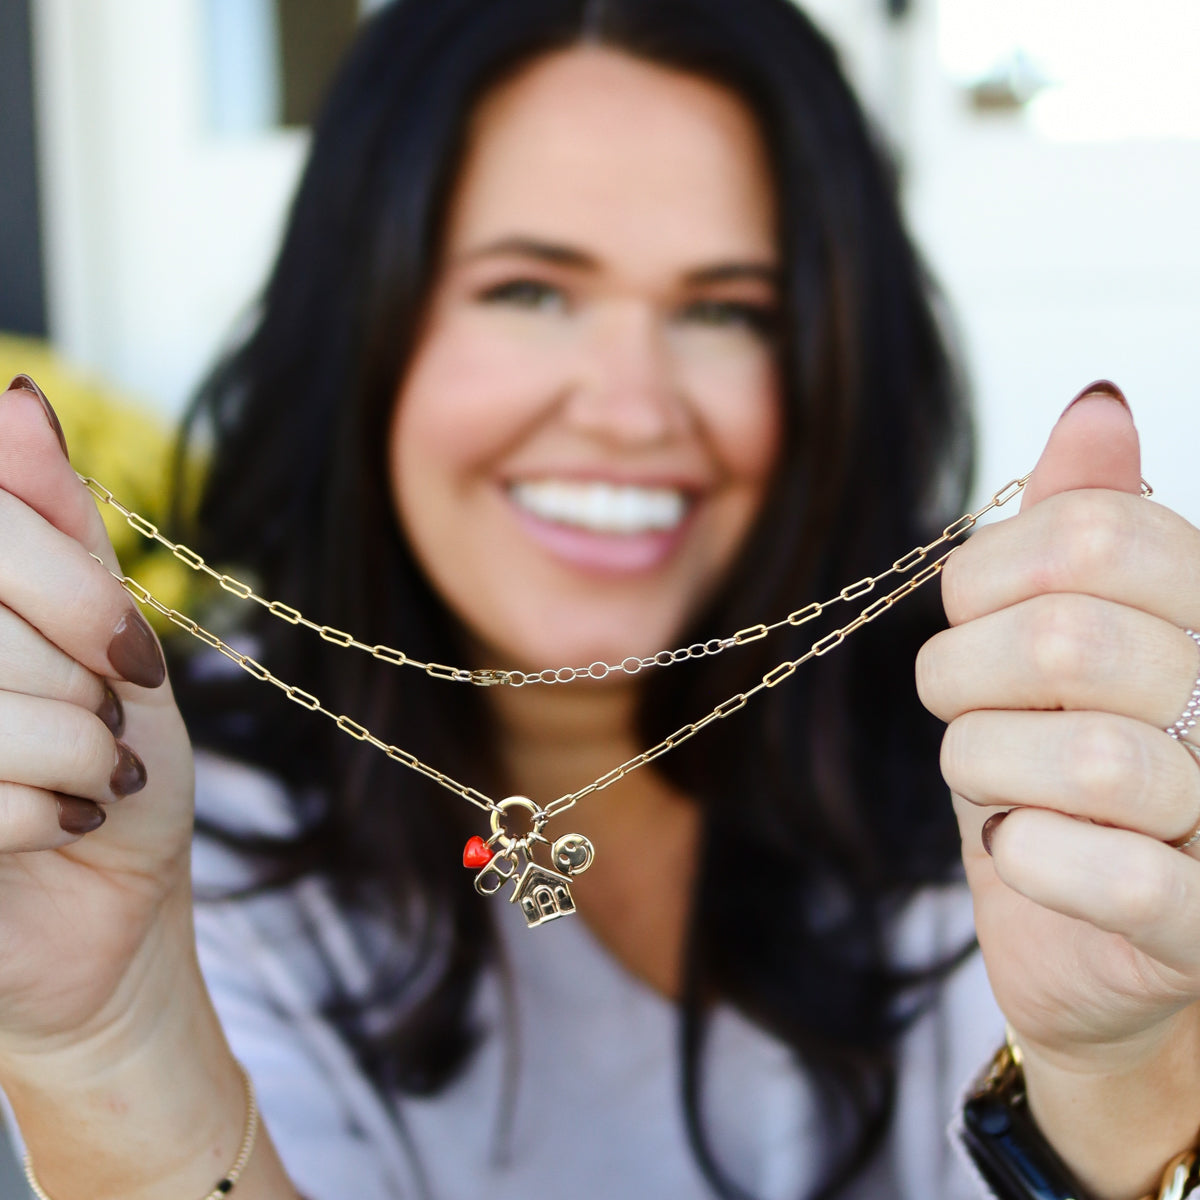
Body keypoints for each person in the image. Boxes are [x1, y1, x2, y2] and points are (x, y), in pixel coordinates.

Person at [1, 1, 1199, 1198]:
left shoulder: (1009, 764)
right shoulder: (151, 817)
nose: (631, 408)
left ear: (834, 365)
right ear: (366, 325)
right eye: (530, 290)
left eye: (726, 311)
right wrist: (115, 1046)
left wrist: (1128, 1076)